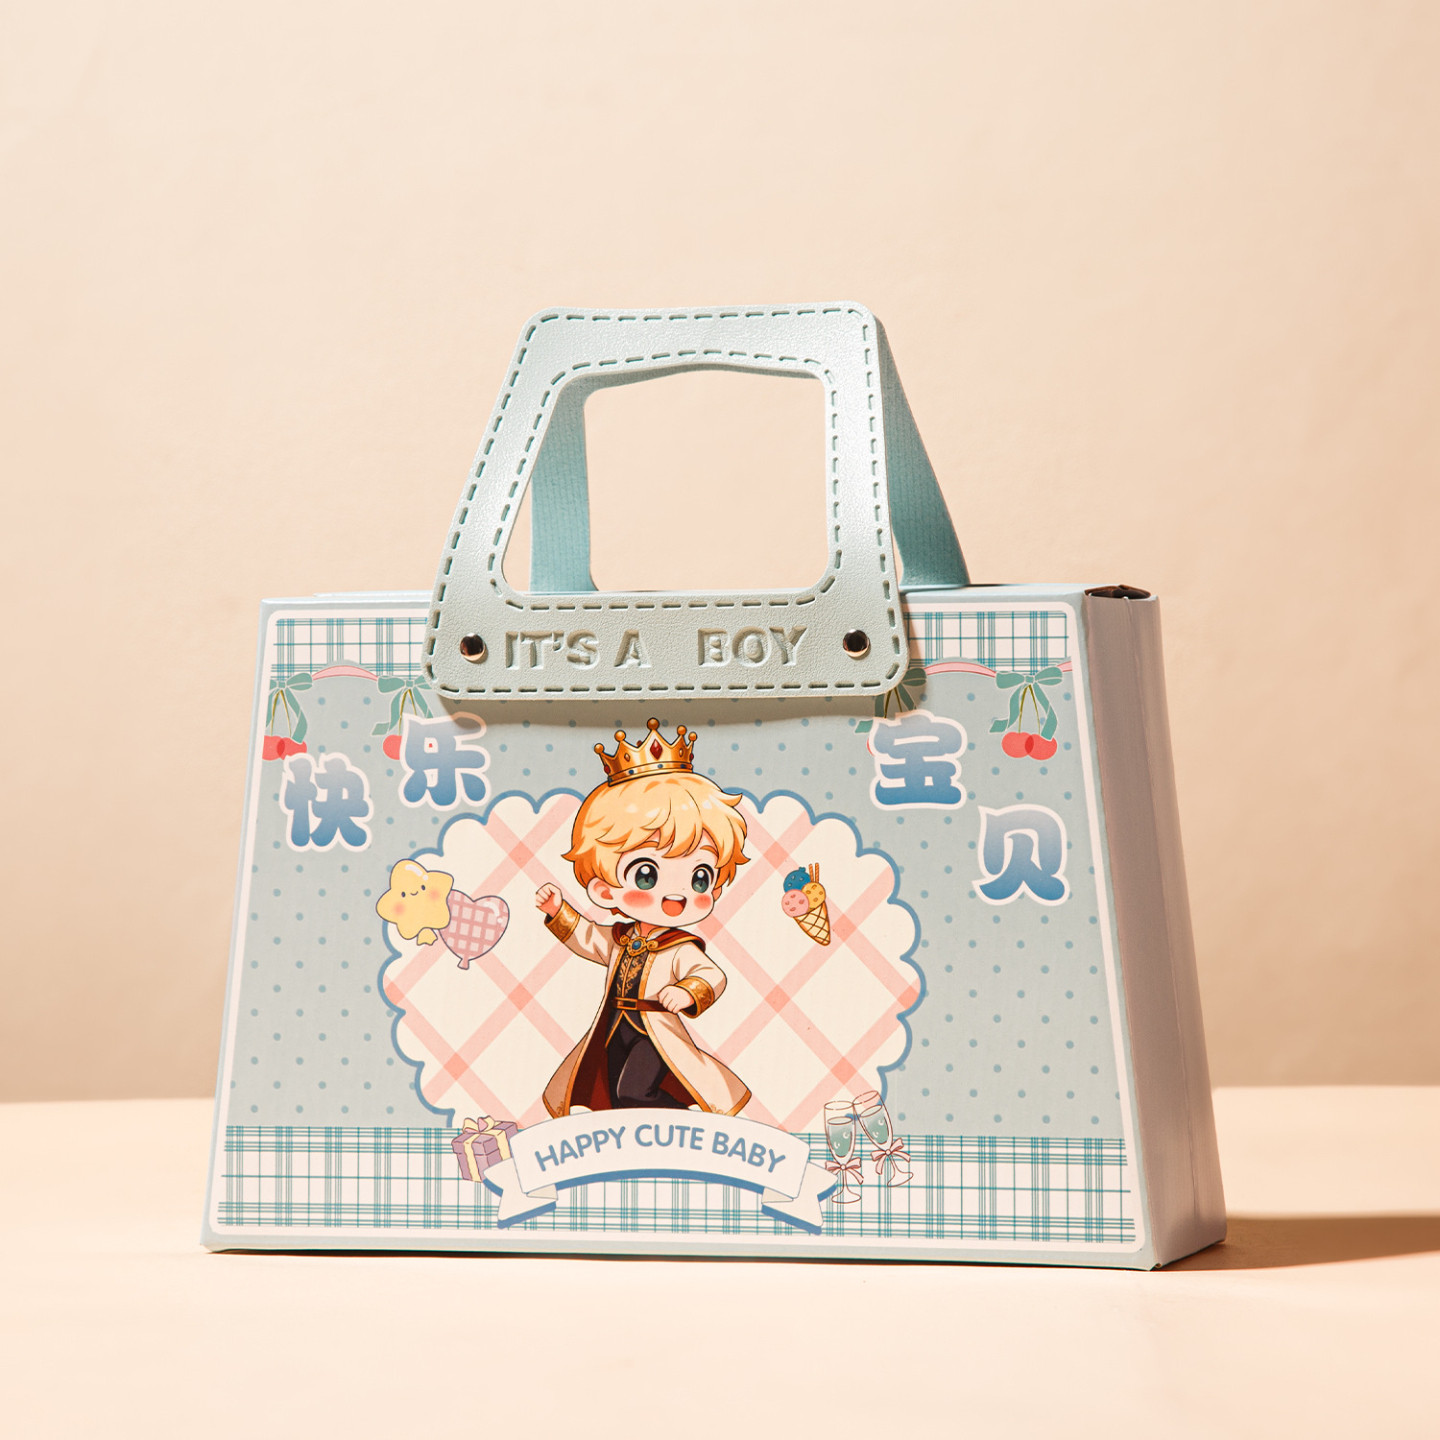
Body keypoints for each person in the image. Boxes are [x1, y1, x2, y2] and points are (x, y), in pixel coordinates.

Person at [536, 718, 751, 1116]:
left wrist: (687, 991)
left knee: (635, 1091)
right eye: (647, 875)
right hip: (614, 1024)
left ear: (715, 888)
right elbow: (588, 937)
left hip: (655, 1029)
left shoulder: (678, 947)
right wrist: (558, 912)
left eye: (699, 878)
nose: (675, 895)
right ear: (605, 889)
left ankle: (689, 1128)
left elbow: (712, 975)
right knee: (614, 1096)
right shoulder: (621, 937)